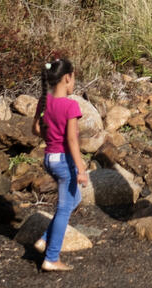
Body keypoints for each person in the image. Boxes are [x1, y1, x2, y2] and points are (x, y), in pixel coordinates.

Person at [31, 58, 90, 273]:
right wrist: (81, 170)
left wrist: (50, 135)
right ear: (67, 78)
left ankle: (45, 239)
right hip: (64, 162)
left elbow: (36, 129)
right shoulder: (70, 105)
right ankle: (51, 257)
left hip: (49, 158)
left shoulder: (45, 100)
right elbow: (72, 142)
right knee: (64, 208)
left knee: (75, 199)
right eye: (74, 77)